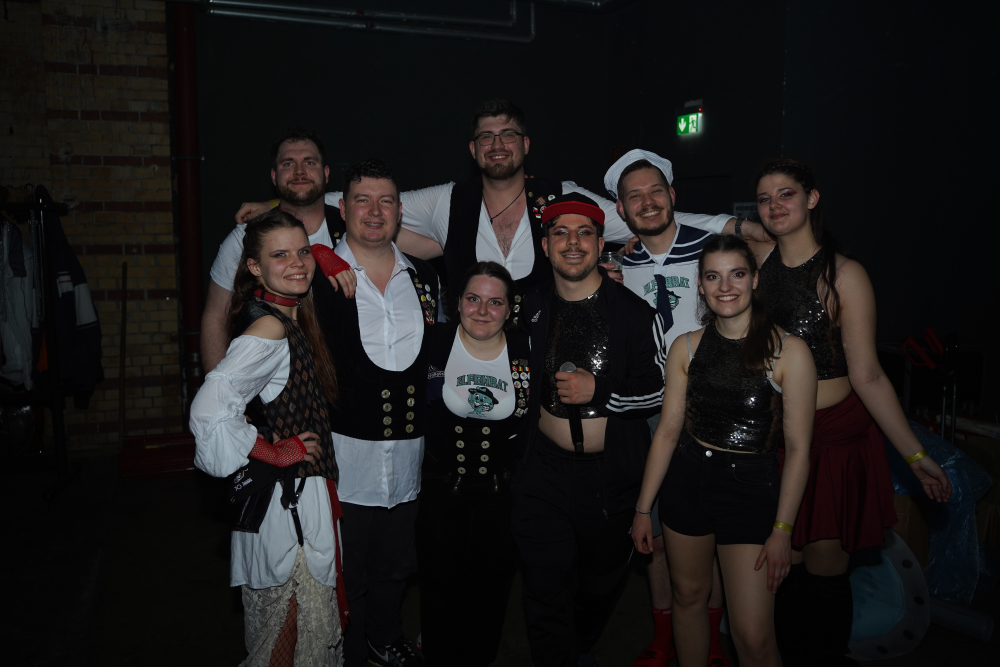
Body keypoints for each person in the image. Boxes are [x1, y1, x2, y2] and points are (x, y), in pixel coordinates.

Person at [233, 100, 750, 316]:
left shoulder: (563, 197)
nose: (497, 144)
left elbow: (646, 217)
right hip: (467, 366)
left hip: (549, 366)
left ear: (525, 145)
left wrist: (734, 225)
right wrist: (281, 202)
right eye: (486, 136)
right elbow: (368, 200)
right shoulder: (446, 200)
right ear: (473, 149)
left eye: (507, 135)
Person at [752, 158, 953, 666]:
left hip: (834, 441)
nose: (774, 206)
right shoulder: (755, 262)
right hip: (775, 439)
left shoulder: (843, 275)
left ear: (812, 198)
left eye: (786, 194)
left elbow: (868, 376)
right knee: (781, 568)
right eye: (764, 199)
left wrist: (916, 456)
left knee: (823, 571)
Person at [631, 234, 816, 667]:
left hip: (749, 494)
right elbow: (667, 433)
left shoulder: (789, 351)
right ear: (700, 285)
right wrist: (643, 509)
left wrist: (782, 530)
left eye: (736, 274)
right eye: (713, 277)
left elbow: (799, 451)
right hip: (686, 484)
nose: (725, 286)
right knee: (688, 597)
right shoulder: (686, 346)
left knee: (752, 638)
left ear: (754, 279)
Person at [605, 150, 753, 667]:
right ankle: (665, 632)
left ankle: (709, 639)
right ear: (621, 210)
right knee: (661, 537)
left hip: (714, 406)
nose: (647, 202)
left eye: (655, 191)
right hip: (651, 413)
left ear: (673, 196)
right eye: (634, 196)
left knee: (709, 533)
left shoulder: (710, 250)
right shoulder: (618, 265)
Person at [511, 192, 667, 666]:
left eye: (584, 233)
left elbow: (659, 392)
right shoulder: (531, 307)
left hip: (609, 475)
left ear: (601, 244)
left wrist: (599, 390)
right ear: (545, 245)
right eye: (561, 233)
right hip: (542, 472)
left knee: (600, 581)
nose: (573, 243)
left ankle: (579, 644)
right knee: (544, 584)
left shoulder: (634, 314)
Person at [190, 209, 346, 666]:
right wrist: (274, 453)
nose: (297, 263)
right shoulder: (270, 327)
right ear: (254, 267)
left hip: (295, 500)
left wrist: (323, 253)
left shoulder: (284, 313)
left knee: (294, 642)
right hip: (288, 510)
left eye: (303, 252)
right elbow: (209, 409)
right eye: (280, 255)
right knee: (285, 644)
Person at [309, 159, 438, 667]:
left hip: (409, 458)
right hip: (342, 460)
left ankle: (385, 640)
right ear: (341, 209)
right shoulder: (314, 275)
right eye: (362, 200)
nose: (375, 211)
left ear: (400, 211)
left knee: (396, 565)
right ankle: (350, 654)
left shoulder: (424, 277)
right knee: (345, 573)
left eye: (386, 201)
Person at [415, 261, 531, 666]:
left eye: (495, 302)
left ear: (510, 309)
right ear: (458, 303)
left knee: (491, 590)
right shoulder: (434, 341)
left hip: (501, 495)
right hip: (439, 491)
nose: (482, 311)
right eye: (473, 299)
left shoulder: (526, 349)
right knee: (438, 586)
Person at [202, 126, 352, 372]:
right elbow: (216, 317)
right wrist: (221, 385)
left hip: (347, 381)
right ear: (274, 176)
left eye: (309, 162)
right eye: (288, 164)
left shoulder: (355, 228)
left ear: (326, 173)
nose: (299, 171)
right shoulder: (245, 238)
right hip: (274, 382)